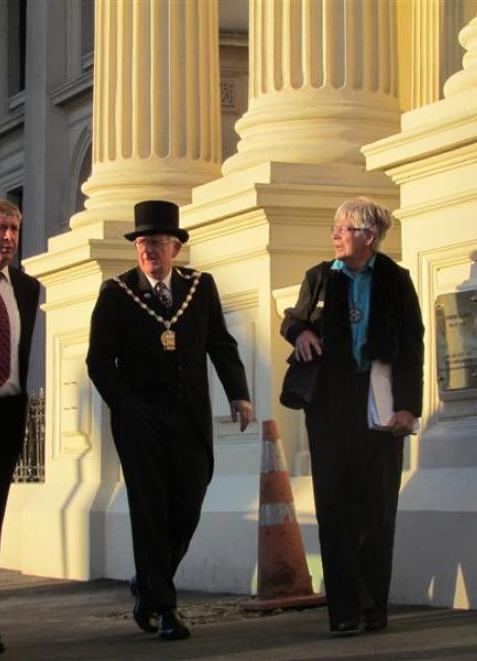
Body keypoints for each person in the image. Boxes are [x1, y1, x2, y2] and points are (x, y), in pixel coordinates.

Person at [86, 200, 253, 641]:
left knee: (189, 501)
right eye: (142, 243)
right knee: (150, 509)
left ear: (176, 247)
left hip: (189, 417)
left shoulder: (201, 287)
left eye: (157, 242)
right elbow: (99, 361)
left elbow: (220, 343)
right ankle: (163, 608)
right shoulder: (116, 293)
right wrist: (125, 404)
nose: (148, 251)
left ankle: (148, 582)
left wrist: (239, 394)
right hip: (140, 421)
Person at [281, 197, 424, 634]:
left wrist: (408, 407)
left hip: (379, 400)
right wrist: (302, 331)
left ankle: (373, 605)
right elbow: (291, 320)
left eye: (344, 228)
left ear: (369, 235)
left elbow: (413, 345)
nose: (336, 235)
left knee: (378, 506)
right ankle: (343, 610)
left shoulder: (396, 280)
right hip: (331, 403)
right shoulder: (320, 277)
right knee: (334, 505)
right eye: (336, 228)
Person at [0, 198, 41, 658]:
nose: (9, 239)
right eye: (1, 228)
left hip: (5, 420)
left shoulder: (26, 287)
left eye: (14, 230)